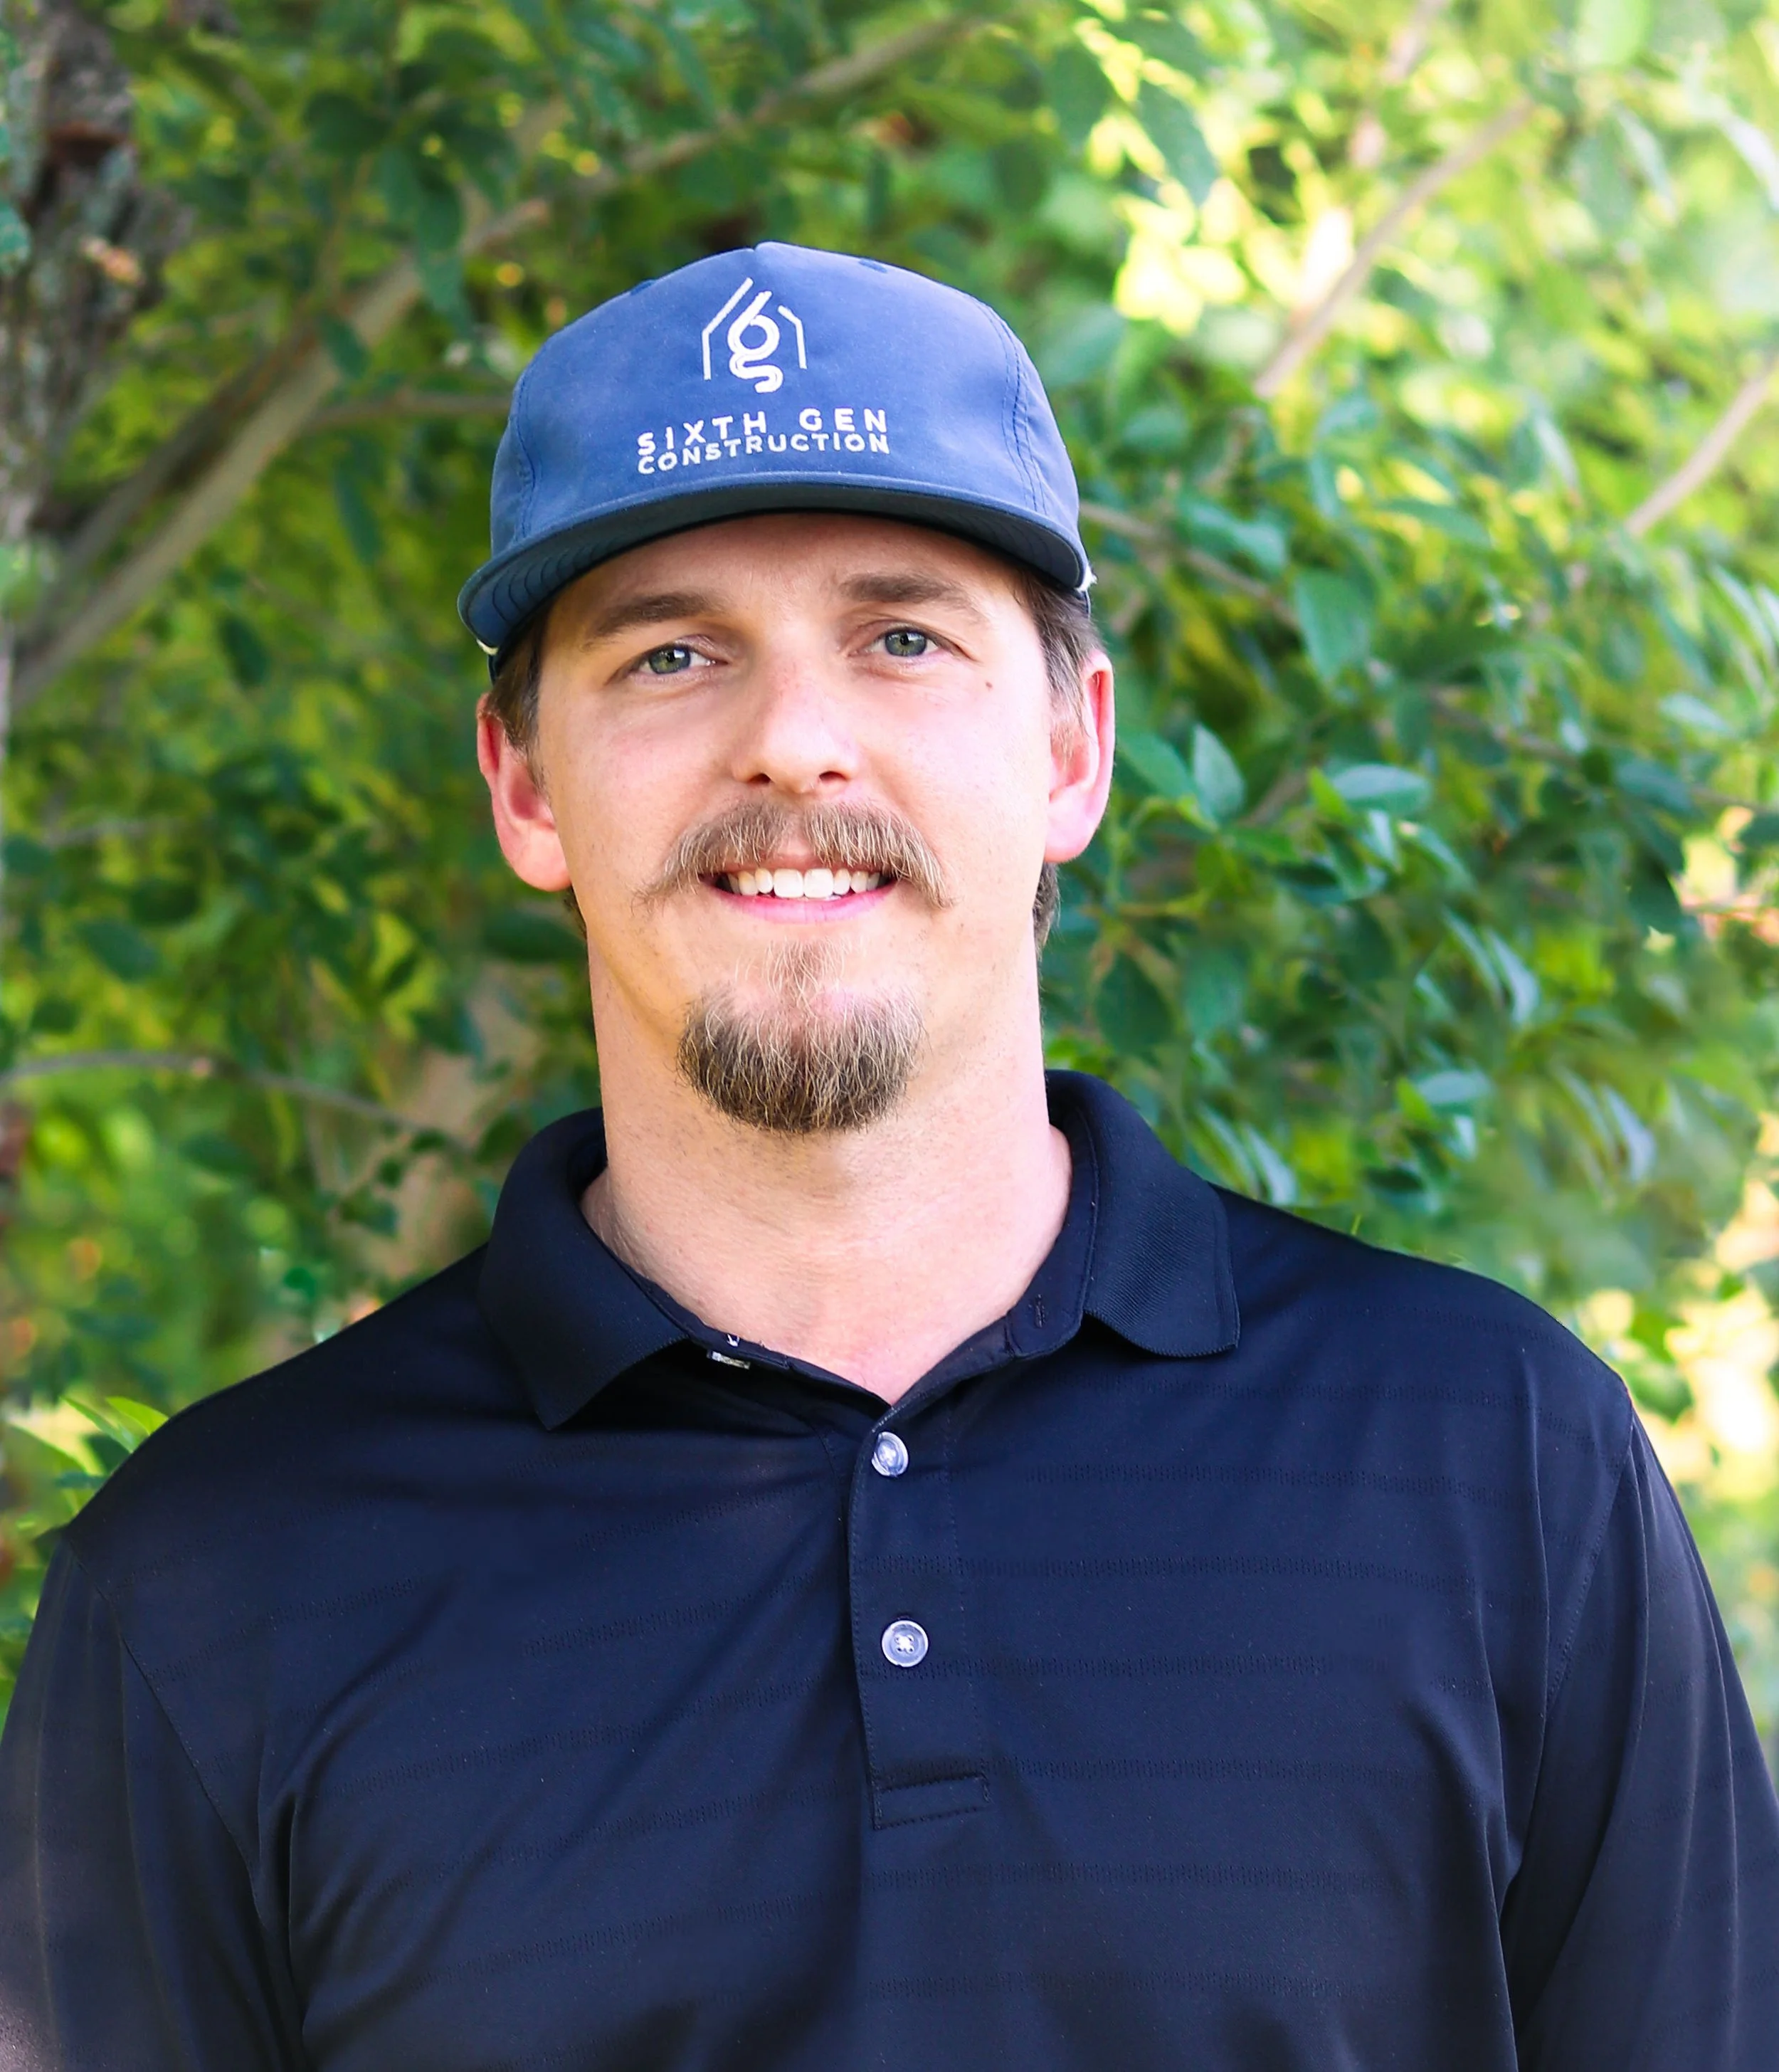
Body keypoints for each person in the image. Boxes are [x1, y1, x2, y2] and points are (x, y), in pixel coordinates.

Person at [1, 242, 1775, 2072]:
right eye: (674, 652)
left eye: (902, 637)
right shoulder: (217, 1586)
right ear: (525, 784)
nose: (793, 741)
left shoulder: (1495, 1463)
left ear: (1075, 750)